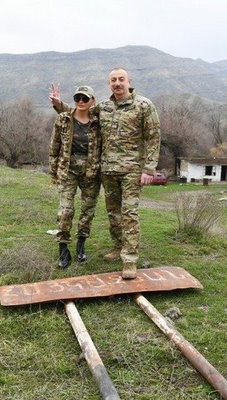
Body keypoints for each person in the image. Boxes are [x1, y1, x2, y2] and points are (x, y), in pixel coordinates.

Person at [50, 68, 160, 279]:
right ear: (109, 84)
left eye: (121, 79)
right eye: (113, 80)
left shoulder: (144, 105)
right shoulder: (104, 107)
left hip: (131, 170)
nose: (117, 83)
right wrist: (59, 105)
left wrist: (149, 168)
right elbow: (80, 113)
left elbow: (153, 137)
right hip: (107, 170)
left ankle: (129, 260)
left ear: (129, 82)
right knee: (113, 214)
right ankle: (119, 247)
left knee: (129, 213)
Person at [49, 85, 101, 268]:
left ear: (92, 101)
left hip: (91, 172)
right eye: (77, 97)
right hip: (68, 170)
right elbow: (54, 146)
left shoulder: (98, 121)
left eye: (85, 98)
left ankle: (81, 245)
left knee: (87, 212)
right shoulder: (63, 119)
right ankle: (63, 250)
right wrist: (53, 170)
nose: (80, 101)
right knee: (65, 211)